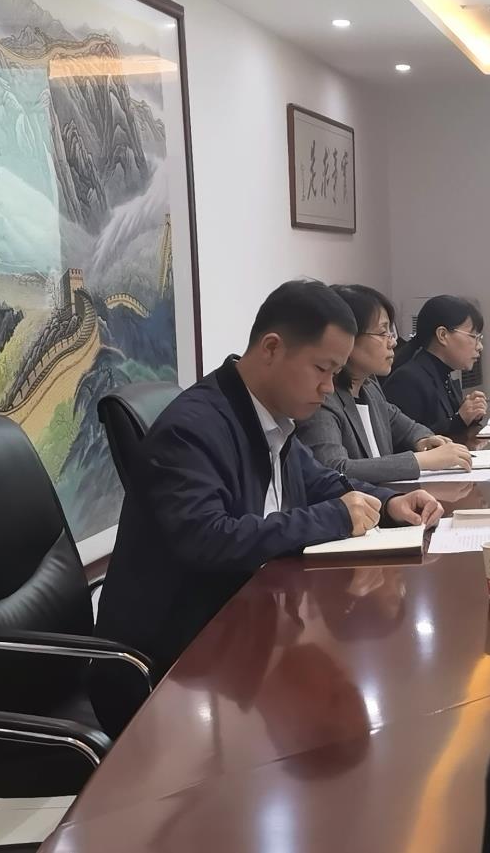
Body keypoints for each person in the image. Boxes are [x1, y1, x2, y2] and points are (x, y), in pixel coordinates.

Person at [95, 280, 445, 679]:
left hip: (249, 629)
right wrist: (336, 516)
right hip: (178, 662)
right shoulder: (192, 428)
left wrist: (388, 503)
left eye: (335, 373)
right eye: (322, 369)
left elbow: (319, 480)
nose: (327, 388)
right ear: (272, 349)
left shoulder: (268, 415)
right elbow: (209, 539)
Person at [299, 284, 475, 484]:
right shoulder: (322, 398)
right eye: (383, 333)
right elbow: (334, 469)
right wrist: (420, 461)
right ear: (348, 338)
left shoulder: (369, 387)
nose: (393, 342)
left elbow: (405, 427)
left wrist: (424, 439)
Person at [383, 295, 488, 440]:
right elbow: (407, 442)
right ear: (442, 335)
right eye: (473, 337)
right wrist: (460, 419)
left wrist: (470, 414)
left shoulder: (443, 372)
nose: (480, 346)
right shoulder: (407, 380)